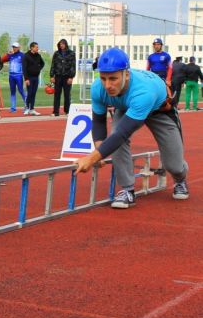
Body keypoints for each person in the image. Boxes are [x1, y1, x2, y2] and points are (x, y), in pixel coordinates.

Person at [75, 48, 189, 208]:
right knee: (115, 137)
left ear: (126, 75)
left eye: (113, 79)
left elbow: (123, 133)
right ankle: (127, 190)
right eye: (103, 78)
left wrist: (92, 158)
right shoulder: (97, 88)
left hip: (159, 109)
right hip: (127, 107)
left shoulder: (143, 91)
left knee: (174, 165)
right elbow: (99, 122)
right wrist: (99, 150)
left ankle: (180, 179)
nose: (107, 85)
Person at [49, 38, 76, 116]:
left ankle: (67, 111)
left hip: (67, 77)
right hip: (58, 76)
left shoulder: (71, 53)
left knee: (67, 95)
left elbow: (73, 66)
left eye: (63, 44)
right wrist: (52, 76)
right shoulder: (56, 53)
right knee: (57, 94)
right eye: (60, 44)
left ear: (66, 44)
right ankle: (56, 112)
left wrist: (71, 77)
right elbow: (53, 65)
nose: (61, 45)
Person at [1, 42, 26, 113]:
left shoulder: (22, 55)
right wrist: (7, 54)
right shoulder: (10, 55)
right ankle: (13, 108)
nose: (14, 48)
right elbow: (1, 60)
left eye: (15, 47)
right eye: (13, 47)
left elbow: (26, 64)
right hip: (11, 76)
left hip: (19, 75)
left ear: (18, 48)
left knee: (21, 90)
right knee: (12, 92)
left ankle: (27, 105)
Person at [22, 41, 44, 116]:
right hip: (29, 78)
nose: (37, 48)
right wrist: (26, 79)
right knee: (29, 93)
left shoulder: (38, 55)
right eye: (36, 47)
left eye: (37, 47)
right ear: (32, 48)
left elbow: (42, 63)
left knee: (34, 93)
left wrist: (38, 69)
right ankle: (26, 108)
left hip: (36, 77)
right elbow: (24, 68)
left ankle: (32, 109)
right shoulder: (26, 56)